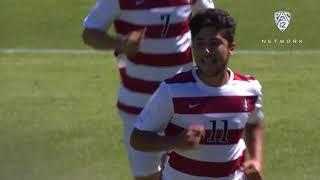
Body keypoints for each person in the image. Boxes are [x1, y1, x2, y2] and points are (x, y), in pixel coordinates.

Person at [82, 0, 215, 180]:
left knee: (187, 173)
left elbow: (210, 20)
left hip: (183, 101)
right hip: (139, 104)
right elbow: (90, 33)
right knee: (147, 176)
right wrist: (121, 43)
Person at [131, 8, 264, 180]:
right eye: (200, 44)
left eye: (214, 43)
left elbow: (254, 124)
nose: (206, 51)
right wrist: (175, 142)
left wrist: (255, 159)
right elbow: (138, 138)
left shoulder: (249, 89)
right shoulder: (173, 90)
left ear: (231, 47)